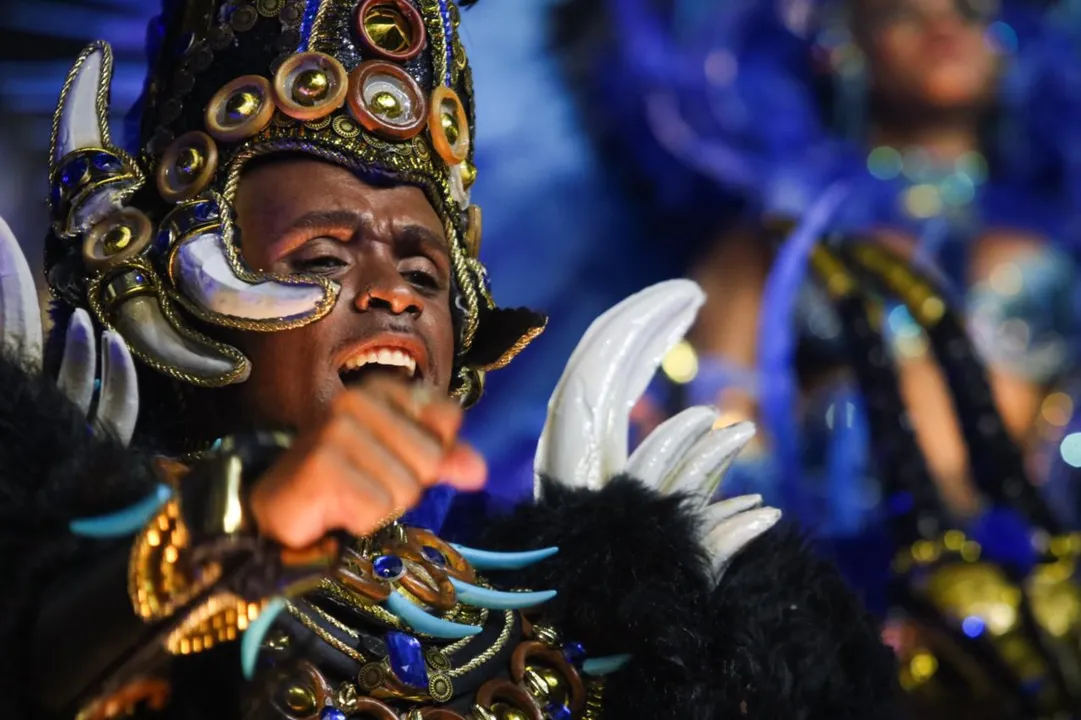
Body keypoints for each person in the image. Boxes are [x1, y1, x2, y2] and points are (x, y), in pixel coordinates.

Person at [0, 1, 898, 719]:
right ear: (168, 292)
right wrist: (248, 526)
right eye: (320, 257)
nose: (393, 293)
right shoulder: (68, 557)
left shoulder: (552, 623)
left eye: (423, 267)